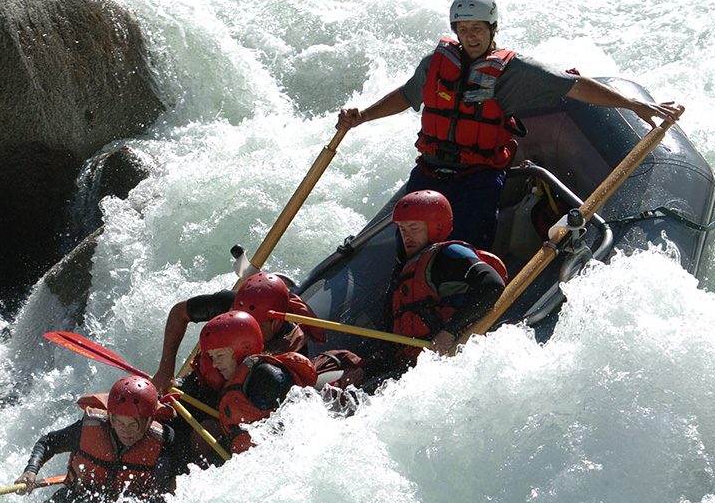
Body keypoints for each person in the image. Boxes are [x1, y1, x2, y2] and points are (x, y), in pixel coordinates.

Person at [336, 0, 681, 250]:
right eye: (464, 29)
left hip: (477, 178)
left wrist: (633, 104)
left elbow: (575, 86)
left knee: (465, 252)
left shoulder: (516, 72)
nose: (471, 36)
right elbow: (406, 95)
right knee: (408, 249)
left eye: (478, 29)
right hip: (430, 170)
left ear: (493, 29)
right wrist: (362, 116)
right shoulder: (436, 63)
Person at [336, 190, 506, 392]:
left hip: (451, 365)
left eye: (414, 228)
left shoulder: (449, 254)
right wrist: (365, 371)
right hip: (413, 373)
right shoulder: (402, 276)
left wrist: (449, 331)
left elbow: (492, 284)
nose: (407, 236)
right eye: (402, 229)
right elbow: (394, 349)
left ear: (437, 227)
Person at [14, 376, 177, 503]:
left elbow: (178, 473)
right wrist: (31, 471)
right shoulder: (91, 427)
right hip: (75, 499)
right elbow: (48, 442)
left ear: (148, 422)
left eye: (133, 424)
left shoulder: (163, 439)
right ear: (111, 417)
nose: (125, 431)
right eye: (120, 423)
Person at [151, 271, 326, 399]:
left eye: (256, 325)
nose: (244, 329)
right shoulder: (232, 305)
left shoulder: (291, 348)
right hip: (202, 384)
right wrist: (166, 368)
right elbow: (179, 313)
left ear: (277, 323)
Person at [193, 310, 318, 462]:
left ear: (244, 348)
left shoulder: (266, 376)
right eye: (212, 357)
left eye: (220, 355)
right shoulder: (239, 381)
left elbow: (299, 425)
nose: (214, 364)